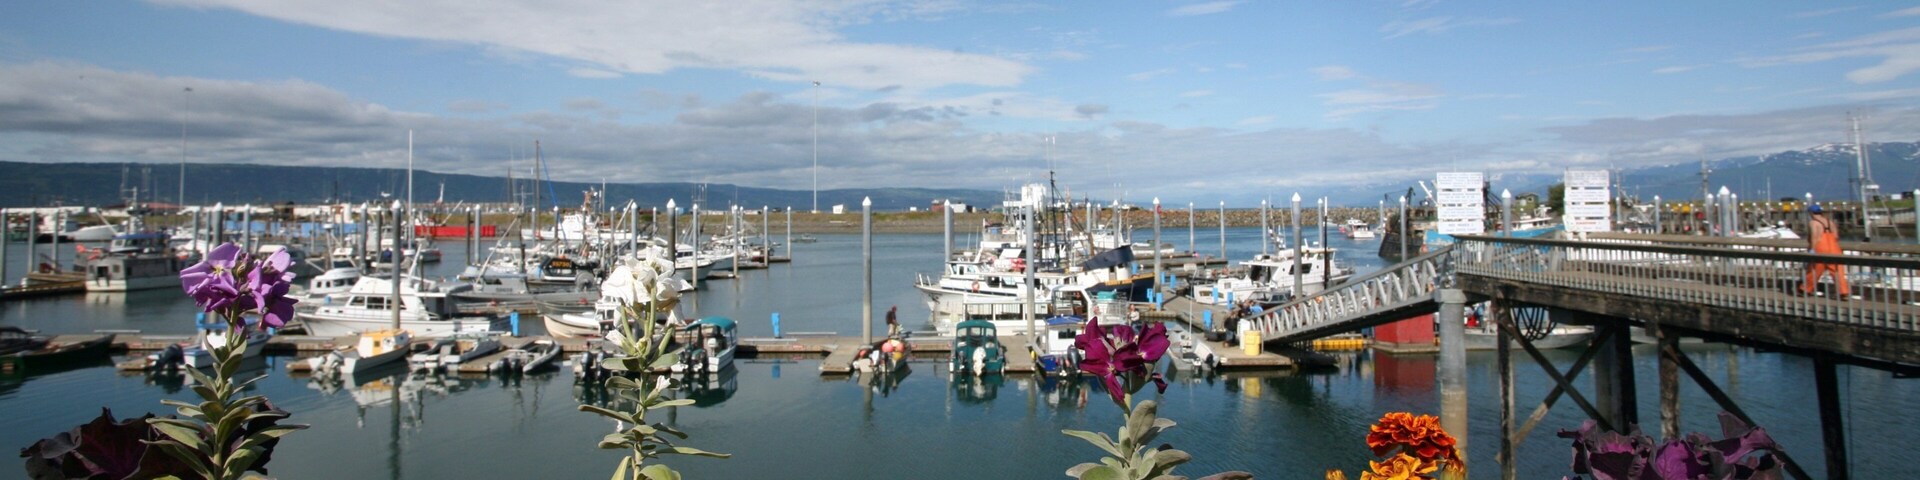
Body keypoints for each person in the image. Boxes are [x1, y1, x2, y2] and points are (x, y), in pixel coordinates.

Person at [1802, 204, 1851, 298]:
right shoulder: (1830, 222)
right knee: (1837, 271)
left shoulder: (1813, 223)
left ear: (1811, 213)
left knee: (1814, 270)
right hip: (1834, 248)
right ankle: (1843, 292)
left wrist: (1812, 249)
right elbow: (1836, 236)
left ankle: (1806, 289)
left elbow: (1814, 237)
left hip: (1820, 247)